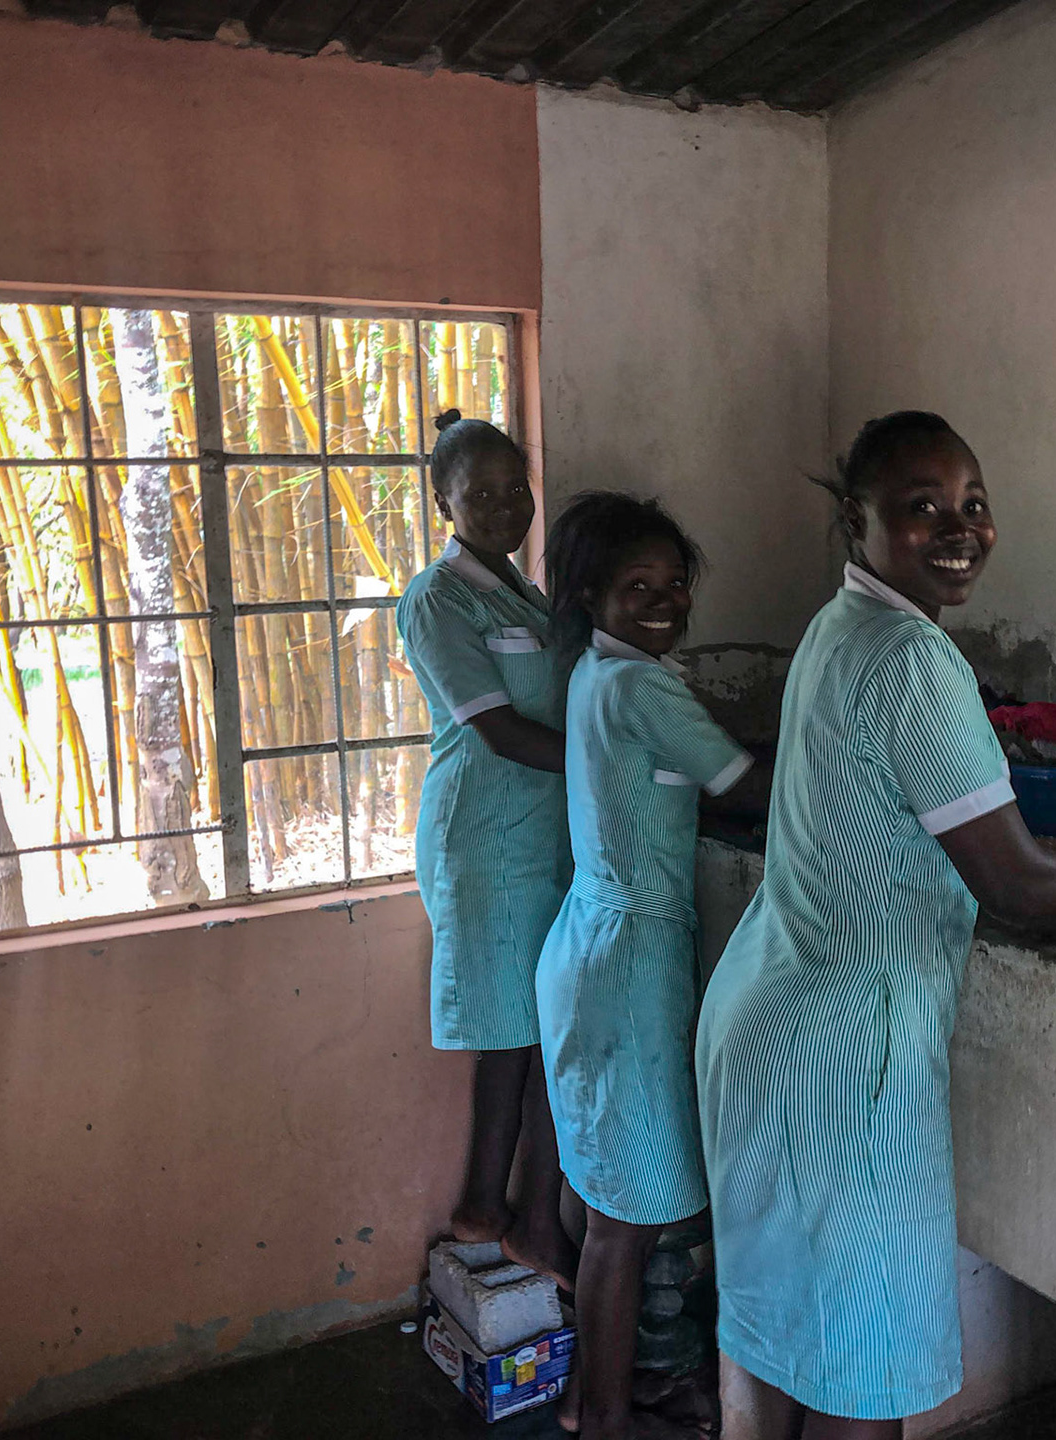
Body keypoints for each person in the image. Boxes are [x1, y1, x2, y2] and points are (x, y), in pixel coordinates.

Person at [696, 412, 1056, 1440]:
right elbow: (1010, 881)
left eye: (973, 504)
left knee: (806, 1349)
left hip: (767, 1020)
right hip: (846, 1066)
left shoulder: (839, 627)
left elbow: (924, 825)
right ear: (858, 518)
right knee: (864, 1377)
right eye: (922, 508)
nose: (959, 528)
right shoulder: (916, 660)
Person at [537, 492, 769, 1440]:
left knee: (597, 1191)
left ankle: (609, 1390)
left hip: (585, 948)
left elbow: (689, 765)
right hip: (630, 964)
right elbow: (749, 788)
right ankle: (602, 1417)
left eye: (676, 584)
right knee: (624, 1226)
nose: (666, 601)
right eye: (640, 586)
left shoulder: (599, 672)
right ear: (592, 593)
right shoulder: (643, 686)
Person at [396, 409, 578, 1291]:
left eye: (518, 488)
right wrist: (612, 767)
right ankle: (502, 1210)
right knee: (513, 1037)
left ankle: (518, 1212)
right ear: (444, 501)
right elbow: (501, 731)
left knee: (543, 1033)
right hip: (485, 840)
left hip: (538, 837)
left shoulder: (522, 592)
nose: (508, 506)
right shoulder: (438, 599)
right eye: (483, 493)